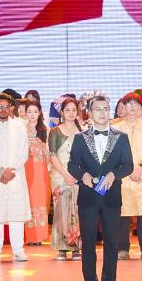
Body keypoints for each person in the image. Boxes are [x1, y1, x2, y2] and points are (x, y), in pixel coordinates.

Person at [67, 95, 134, 281]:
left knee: (112, 243)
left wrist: (114, 174)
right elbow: (72, 165)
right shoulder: (80, 137)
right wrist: (83, 175)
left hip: (111, 197)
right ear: (90, 112)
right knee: (88, 243)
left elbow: (128, 165)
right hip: (88, 197)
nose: (102, 113)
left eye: (105, 108)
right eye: (97, 109)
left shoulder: (121, 137)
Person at [0, 93, 31, 262]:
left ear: (11, 108)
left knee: (16, 215)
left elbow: (23, 152)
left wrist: (11, 171)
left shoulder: (19, 127)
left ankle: (18, 250)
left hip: (15, 175)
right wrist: (0, 171)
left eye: (5, 107)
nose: (2, 109)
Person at [113, 92, 142, 260]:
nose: (132, 107)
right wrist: (126, 169)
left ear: (141, 108)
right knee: (122, 212)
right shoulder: (115, 128)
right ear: (123, 107)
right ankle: (122, 249)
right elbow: (113, 153)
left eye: (136, 104)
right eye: (129, 104)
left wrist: (141, 167)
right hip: (123, 176)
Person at [48, 97, 83, 260]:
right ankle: (61, 247)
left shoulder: (82, 132)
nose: (71, 113)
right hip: (59, 176)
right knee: (61, 211)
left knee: (77, 210)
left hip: (78, 177)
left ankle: (76, 246)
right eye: (67, 110)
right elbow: (53, 156)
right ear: (62, 112)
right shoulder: (55, 131)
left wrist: (77, 175)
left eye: (74, 110)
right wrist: (66, 175)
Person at [20, 100, 52, 246]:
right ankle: (30, 236)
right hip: (26, 170)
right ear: (25, 113)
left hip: (42, 171)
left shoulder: (46, 130)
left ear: (39, 113)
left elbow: (50, 153)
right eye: (29, 112)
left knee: (41, 201)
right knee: (28, 201)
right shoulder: (21, 130)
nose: (32, 115)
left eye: (35, 111)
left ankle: (39, 236)